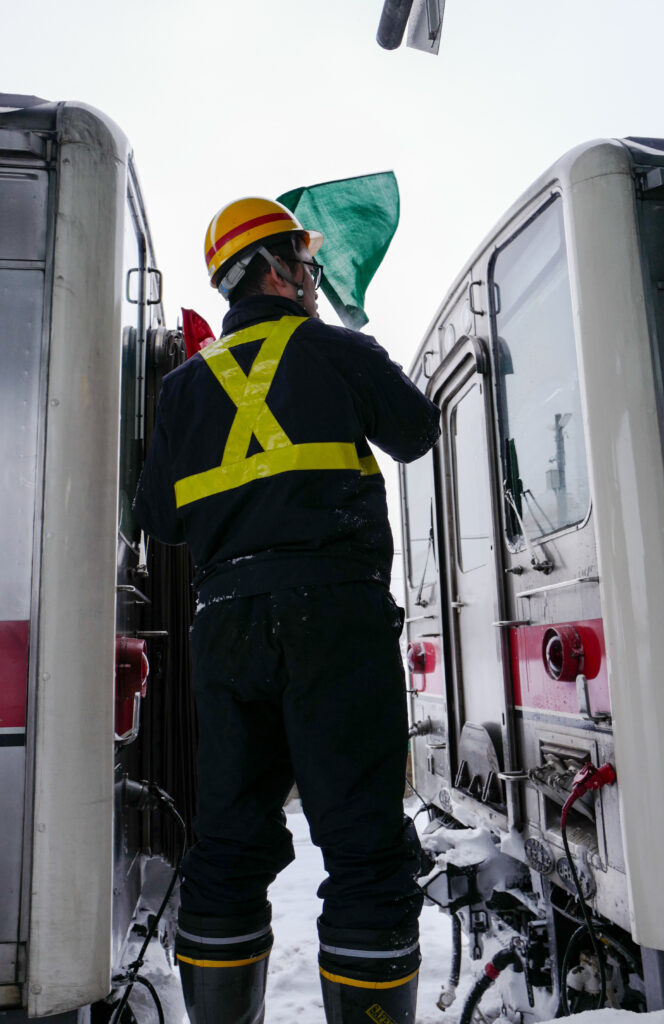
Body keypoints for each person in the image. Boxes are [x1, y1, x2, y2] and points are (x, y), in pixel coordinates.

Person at [134, 197, 440, 1024]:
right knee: (365, 849)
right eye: (305, 262)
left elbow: (158, 518)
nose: (314, 277)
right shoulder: (338, 351)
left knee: (227, 847)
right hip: (334, 616)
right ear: (273, 269)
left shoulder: (183, 387)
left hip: (228, 625)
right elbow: (416, 430)